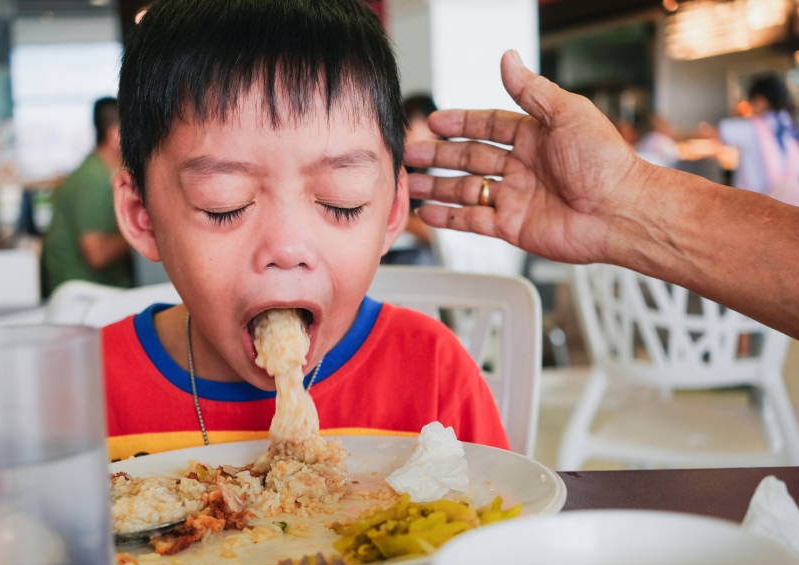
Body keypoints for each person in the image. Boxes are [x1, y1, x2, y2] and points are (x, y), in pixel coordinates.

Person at [104, 0, 508, 459]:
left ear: (393, 210)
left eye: (342, 201)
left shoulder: (433, 374)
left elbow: (502, 524)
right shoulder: (84, 390)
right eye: (224, 205)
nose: (288, 248)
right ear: (144, 216)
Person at [404, 50, 799, 360]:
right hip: (787, 206)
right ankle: (741, 349)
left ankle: (739, 350)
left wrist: (626, 196)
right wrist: (624, 198)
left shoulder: (746, 127)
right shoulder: (790, 129)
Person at [41, 97, 133, 294]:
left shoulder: (102, 173)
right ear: (115, 134)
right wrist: (147, 230)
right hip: (85, 296)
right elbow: (97, 254)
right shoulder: (91, 180)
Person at [719, 76, 799, 209]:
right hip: (791, 204)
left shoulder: (753, 127)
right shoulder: (791, 125)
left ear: (760, 101)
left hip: (755, 207)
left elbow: (718, 132)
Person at [381, 95, 439, 265]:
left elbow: (432, 232)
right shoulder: (401, 170)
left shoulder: (445, 174)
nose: (405, 133)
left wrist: (397, 218)